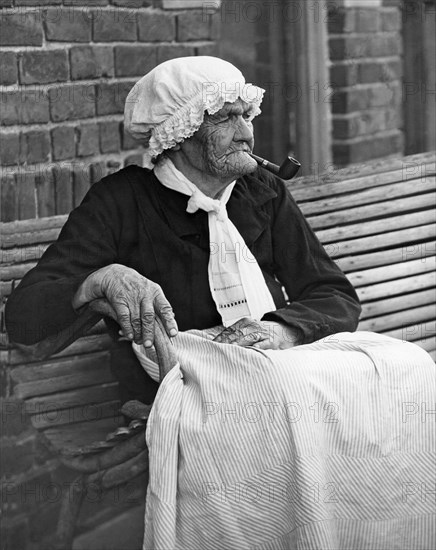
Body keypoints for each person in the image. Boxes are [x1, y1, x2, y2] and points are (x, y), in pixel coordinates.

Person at [5, 56, 361, 406]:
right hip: (185, 394)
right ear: (179, 132)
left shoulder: (262, 190)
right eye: (225, 118)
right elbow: (24, 317)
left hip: (280, 369)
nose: (245, 133)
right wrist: (99, 279)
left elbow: (332, 293)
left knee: (399, 369)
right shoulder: (121, 201)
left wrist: (281, 331)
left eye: (246, 115)